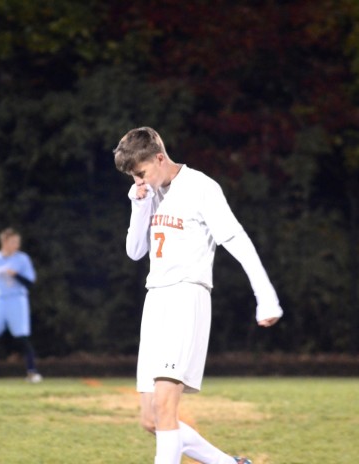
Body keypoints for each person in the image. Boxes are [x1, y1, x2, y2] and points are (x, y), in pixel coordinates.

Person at [114, 127, 283, 464]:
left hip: (186, 297)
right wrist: (139, 204)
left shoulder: (202, 188)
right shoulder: (150, 193)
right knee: (151, 420)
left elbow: (237, 240)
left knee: (165, 408)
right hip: (155, 300)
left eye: (142, 173)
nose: (140, 181)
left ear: (159, 158)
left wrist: (266, 296)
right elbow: (135, 252)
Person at [0, 227, 42, 383]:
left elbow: (30, 282)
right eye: (13, 242)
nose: (16, 245)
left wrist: (15, 275)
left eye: (17, 242)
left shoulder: (22, 259)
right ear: (4, 242)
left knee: (22, 337)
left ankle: (32, 372)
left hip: (17, 300)